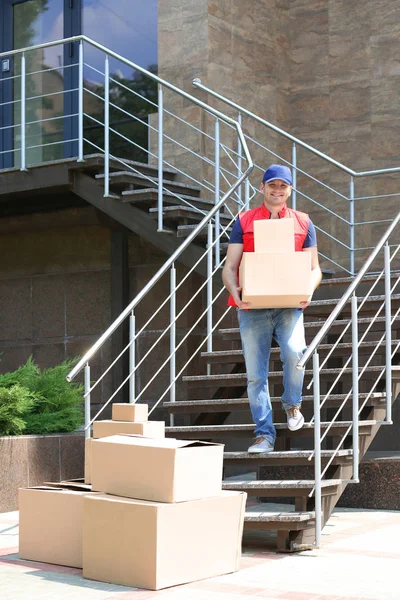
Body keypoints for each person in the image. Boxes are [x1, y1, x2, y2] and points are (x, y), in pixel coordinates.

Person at [222, 164, 322, 453]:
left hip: (289, 305)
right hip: (252, 307)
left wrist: (308, 290)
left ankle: (292, 405)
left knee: (295, 353)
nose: (277, 191)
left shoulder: (303, 222)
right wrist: (235, 291)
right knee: (256, 374)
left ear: (290, 190)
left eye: (283, 186)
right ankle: (264, 435)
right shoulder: (244, 220)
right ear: (262, 188)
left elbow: (315, 268)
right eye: (272, 185)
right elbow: (229, 268)